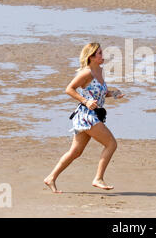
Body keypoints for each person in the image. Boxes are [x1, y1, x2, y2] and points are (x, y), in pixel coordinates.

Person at [44, 43, 124, 193]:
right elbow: (69, 89)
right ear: (91, 57)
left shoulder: (100, 71)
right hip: (87, 116)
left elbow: (100, 92)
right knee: (111, 144)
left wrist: (113, 93)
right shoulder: (86, 73)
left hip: (91, 115)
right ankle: (98, 178)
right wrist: (85, 101)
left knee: (75, 152)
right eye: (99, 53)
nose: (103, 55)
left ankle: (50, 178)